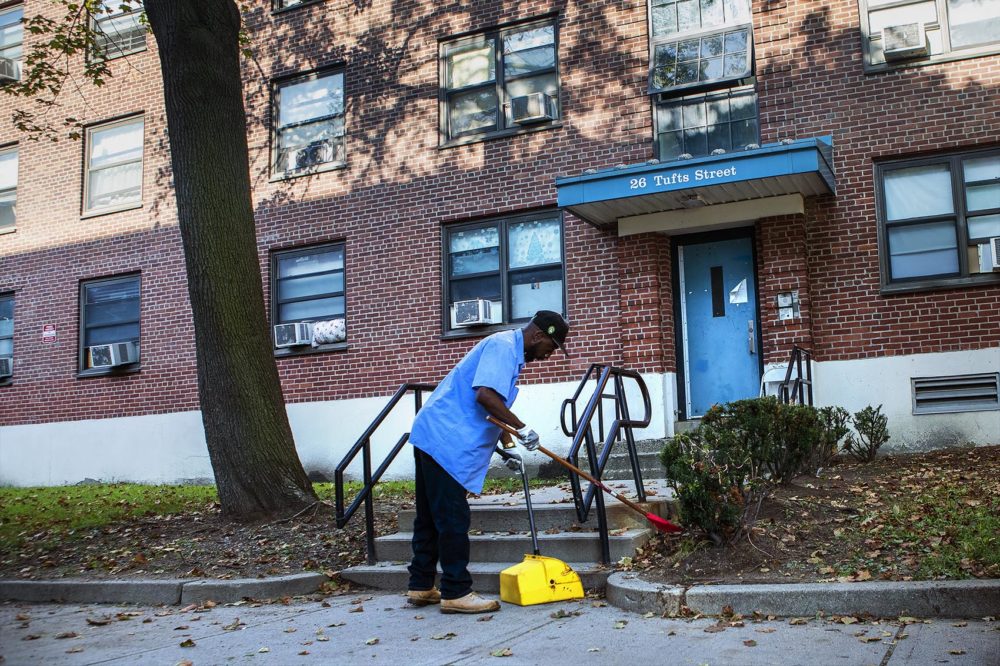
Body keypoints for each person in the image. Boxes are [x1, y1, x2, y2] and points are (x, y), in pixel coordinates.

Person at [405, 310, 570, 614]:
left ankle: (421, 584)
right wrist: (522, 427)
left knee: (429, 516)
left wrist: (508, 446)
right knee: (452, 517)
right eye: (551, 348)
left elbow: (494, 409)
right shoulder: (503, 347)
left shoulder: (509, 351)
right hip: (446, 440)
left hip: (434, 435)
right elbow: (485, 396)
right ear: (538, 336)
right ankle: (456, 591)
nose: (549, 356)